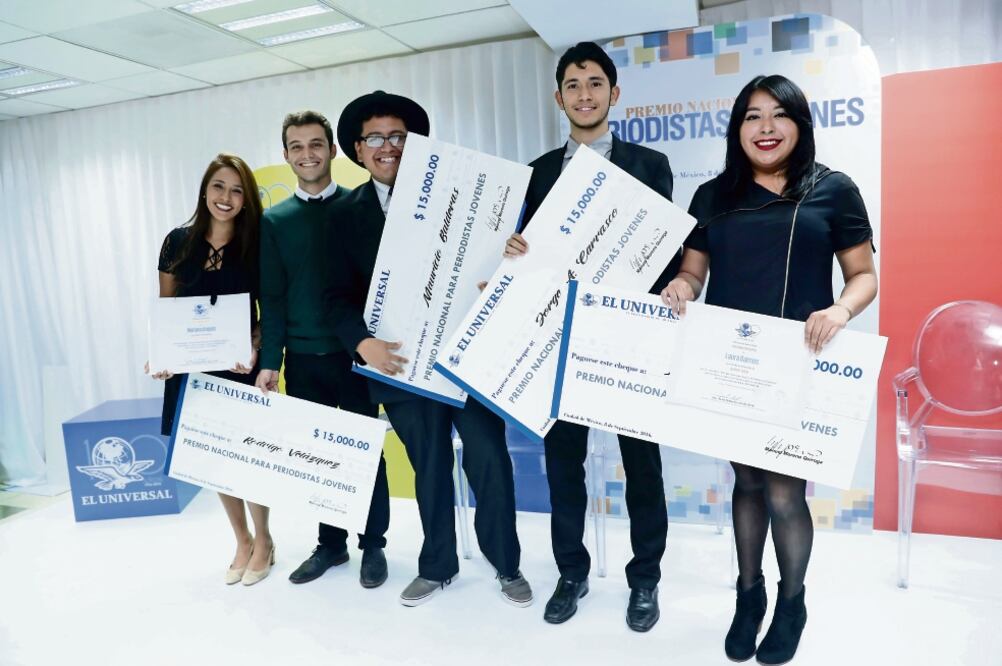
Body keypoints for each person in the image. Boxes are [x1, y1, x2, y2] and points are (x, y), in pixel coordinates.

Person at [661, 74, 877, 664]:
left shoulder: (833, 190)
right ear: (737, 129)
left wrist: (839, 307)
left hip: (801, 363)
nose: (765, 128)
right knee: (748, 483)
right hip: (732, 364)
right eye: (752, 116)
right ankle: (748, 594)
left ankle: (792, 601)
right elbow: (693, 271)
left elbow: (864, 276)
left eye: (779, 115)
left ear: (800, 126)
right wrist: (680, 286)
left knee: (785, 489)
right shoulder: (712, 196)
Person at [325, 90, 531, 608]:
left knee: (489, 459)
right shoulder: (343, 214)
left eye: (398, 136)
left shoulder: (463, 196)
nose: (388, 146)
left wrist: (506, 256)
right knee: (429, 468)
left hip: (466, 362)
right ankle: (437, 565)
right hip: (398, 363)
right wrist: (362, 343)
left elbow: (499, 265)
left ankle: (507, 565)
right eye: (376, 138)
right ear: (358, 148)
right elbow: (333, 297)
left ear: (414, 143)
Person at [503, 41, 681, 631]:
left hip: (628, 340)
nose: (585, 94)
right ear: (560, 98)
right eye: (573, 85)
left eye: (595, 83)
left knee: (643, 467)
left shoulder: (651, 165)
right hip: (561, 342)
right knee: (563, 467)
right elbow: (528, 260)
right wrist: (514, 252)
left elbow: (662, 252)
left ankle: (646, 579)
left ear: (614, 92)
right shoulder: (535, 173)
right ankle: (571, 572)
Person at [254, 110, 391, 589]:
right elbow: (270, 298)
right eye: (297, 146)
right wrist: (270, 362)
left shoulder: (359, 207)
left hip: (356, 356)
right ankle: (330, 544)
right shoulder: (274, 221)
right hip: (303, 361)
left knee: (366, 452)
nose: (307, 154)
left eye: (316, 144)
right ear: (286, 156)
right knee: (318, 456)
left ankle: (372, 545)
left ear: (334, 150)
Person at [150, 152, 274, 586]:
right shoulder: (177, 242)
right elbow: (168, 310)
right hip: (193, 370)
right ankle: (241, 539)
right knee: (216, 456)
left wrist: (257, 344)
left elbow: (267, 309)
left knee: (250, 455)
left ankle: (265, 540)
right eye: (219, 187)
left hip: (241, 365)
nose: (226, 197)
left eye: (237, 190)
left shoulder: (256, 243)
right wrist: (162, 353)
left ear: (246, 200)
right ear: (205, 191)